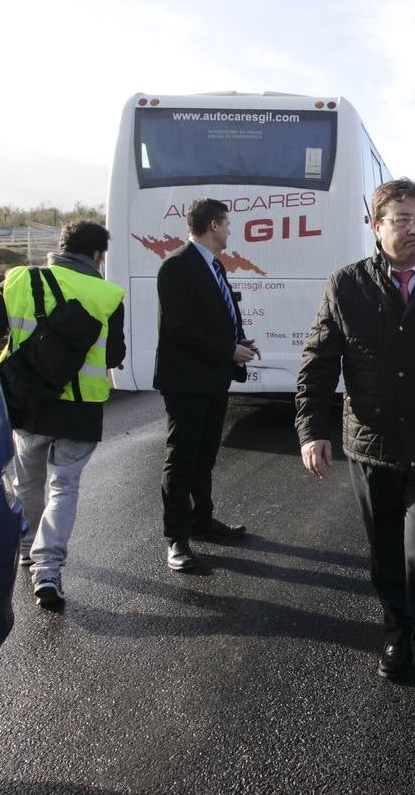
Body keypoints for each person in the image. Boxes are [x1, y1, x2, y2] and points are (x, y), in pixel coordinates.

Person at [296, 178, 415, 712]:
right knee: (383, 556)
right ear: (376, 227)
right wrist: (312, 430)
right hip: (371, 447)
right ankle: (396, 630)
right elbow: (318, 362)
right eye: (402, 219)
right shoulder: (347, 285)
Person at [0, 220, 126, 609]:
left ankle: (28, 552)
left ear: (60, 246)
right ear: (97, 255)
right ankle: (48, 570)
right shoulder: (108, 294)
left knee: (28, 484)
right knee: (64, 487)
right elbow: (114, 357)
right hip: (79, 410)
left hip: (26, 403)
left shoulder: (16, 281)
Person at [154, 198, 259, 572]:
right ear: (213, 225)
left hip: (213, 378)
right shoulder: (177, 266)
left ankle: (202, 522)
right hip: (186, 381)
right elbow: (179, 329)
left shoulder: (214, 265)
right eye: (228, 224)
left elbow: (219, 317)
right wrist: (227, 349)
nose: (231, 231)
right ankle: (177, 539)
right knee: (181, 459)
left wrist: (239, 342)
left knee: (205, 456)